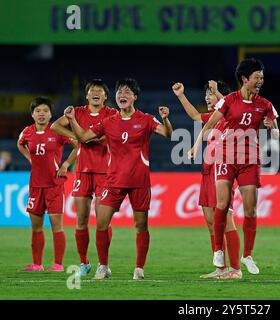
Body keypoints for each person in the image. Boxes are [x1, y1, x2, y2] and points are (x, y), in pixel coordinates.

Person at [64, 78, 173, 280]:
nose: (122, 95)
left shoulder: (146, 119)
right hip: (113, 180)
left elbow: (168, 133)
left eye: (127, 92)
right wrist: (71, 119)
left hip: (139, 181)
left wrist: (165, 119)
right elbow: (84, 137)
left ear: (135, 97)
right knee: (101, 224)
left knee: (141, 226)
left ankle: (139, 268)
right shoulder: (108, 122)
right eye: (120, 92)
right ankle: (103, 266)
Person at [189, 58, 279, 279]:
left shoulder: (265, 105)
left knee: (250, 209)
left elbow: (275, 134)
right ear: (245, 78)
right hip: (225, 157)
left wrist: (271, 128)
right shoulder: (229, 100)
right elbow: (210, 123)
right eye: (257, 77)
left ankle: (247, 255)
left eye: (262, 77)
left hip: (250, 159)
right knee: (222, 205)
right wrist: (195, 144)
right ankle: (219, 252)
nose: (260, 81)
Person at [172, 80, 241, 279]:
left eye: (210, 94)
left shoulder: (232, 114)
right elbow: (194, 116)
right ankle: (221, 268)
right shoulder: (213, 117)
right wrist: (181, 95)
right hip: (208, 171)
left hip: (225, 170)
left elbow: (231, 105)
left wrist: (219, 92)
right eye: (207, 94)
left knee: (225, 219)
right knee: (211, 222)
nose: (207, 97)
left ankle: (235, 268)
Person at [51, 79, 117, 276]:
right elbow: (55, 125)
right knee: (81, 219)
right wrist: (74, 137)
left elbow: (108, 135)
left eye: (100, 90)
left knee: (103, 221)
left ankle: (103, 264)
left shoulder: (112, 114)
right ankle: (84, 263)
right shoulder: (78, 112)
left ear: (105, 96)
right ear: (87, 95)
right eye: (92, 90)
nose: (96, 92)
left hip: (105, 172)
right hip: (82, 171)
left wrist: (85, 137)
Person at [17, 97, 78, 272]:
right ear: (32, 114)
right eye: (38, 111)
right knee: (36, 227)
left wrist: (66, 164)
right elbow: (20, 144)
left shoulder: (58, 131)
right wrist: (29, 157)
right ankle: (37, 265)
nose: (41, 114)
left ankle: (58, 264)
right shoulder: (27, 132)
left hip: (54, 185)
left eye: (45, 111)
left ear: (51, 114)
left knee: (56, 226)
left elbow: (78, 145)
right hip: (36, 186)